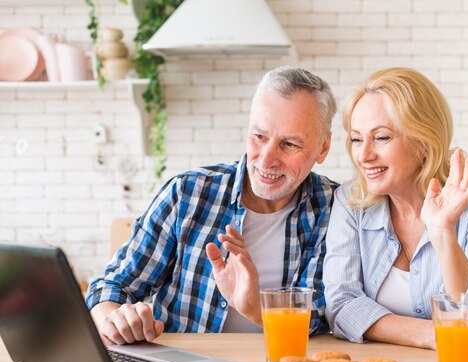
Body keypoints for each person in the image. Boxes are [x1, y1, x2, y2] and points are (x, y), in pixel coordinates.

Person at [86, 66, 337, 345]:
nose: (266, 160)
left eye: (289, 144)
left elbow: (318, 315)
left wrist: (255, 309)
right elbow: (111, 286)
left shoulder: (332, 208)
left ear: (323, 147)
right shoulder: (188, 194)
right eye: (259, 137)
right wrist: (116, 320)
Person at [323, 67, 468, 350]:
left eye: (382, 137)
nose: (363, 155)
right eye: (356, 139)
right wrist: (429, 334)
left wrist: (441, 232)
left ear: (423, 141)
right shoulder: (350, 202)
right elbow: (341, 304)